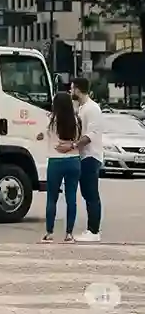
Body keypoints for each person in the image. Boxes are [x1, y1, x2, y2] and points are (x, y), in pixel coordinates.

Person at [37, 91, 81, 242]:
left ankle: (50, 233)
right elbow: (79, 138)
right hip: (74, 160)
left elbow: (40, 135)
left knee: (52, 199)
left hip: (55, 161)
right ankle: (69, 234)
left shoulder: (51, 120)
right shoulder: (76, 119)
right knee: (71, 198)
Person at [63, 77, 103, 242]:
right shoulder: (81, 108)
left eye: (72, 88)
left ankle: (94, 231)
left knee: (91, 193)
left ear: (78, 89)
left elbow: (90, 135)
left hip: (90, 156)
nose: (70, 92)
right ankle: (91, 229)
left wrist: (73, 146)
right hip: (82, 156)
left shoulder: (92, 109)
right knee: (86, 193)